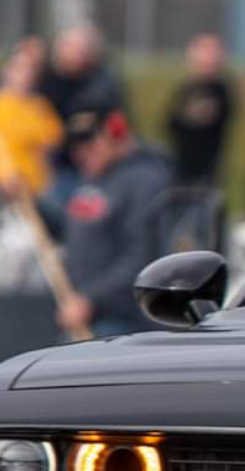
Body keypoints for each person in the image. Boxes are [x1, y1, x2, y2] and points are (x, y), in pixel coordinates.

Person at [52, 94, 173, 337]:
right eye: (77, 146)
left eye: (90, 143)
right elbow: (65, 226)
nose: (81, 153)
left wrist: (92, 299)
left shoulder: (144, 180)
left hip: (122, 325)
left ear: (117, 134)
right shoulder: (89, 179)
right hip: (84, 316)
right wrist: (27, 196)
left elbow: (141, 259)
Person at [0, 41, 63, 198]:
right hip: (2, 184)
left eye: (30, 69)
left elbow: (52, 141)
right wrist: (9, 176)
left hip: (36, 186)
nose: (26, 74)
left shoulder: (40, 106)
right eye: (19, 68)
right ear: (7, 71)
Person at [164, 33, 235, 187]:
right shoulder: (186, 89)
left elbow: (198, 123)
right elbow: (170, 123)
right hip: (181, 167)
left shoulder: (220, 91)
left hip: (205, 172)